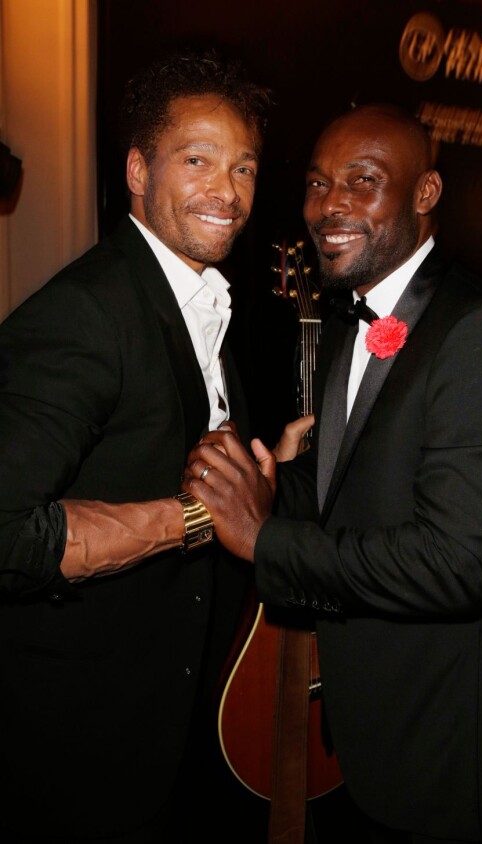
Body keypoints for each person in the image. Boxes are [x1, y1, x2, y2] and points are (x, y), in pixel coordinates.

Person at [181, 104, 482, 844]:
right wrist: (262, 479)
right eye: (318, 182)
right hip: (377, 728)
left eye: (363, 181)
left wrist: (263, 538)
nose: (329, 205)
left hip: (462, 742)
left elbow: (457, 564)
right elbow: (351, 484)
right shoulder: (351, 318)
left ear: (425, 195)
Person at [0, 49, 270, 842]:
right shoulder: (86, 312)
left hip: (170, 722)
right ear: (137, 171)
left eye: (246, 169)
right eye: (198, 161)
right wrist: (192, 519)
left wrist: (261, 461)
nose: (228, 192)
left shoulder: (200, 294)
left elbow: (163, 445)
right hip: (74, 744)